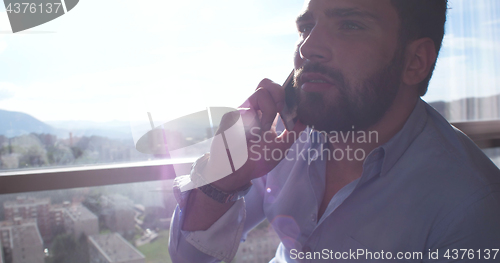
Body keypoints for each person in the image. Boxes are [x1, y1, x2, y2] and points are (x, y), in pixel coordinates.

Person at [169, 0, 500, 262]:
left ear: (414, 61)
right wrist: (223, 180)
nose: (307, 47)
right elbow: (189, 257)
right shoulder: (278, 139)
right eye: (307, 27)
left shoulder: (472, 208)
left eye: (350, 25)